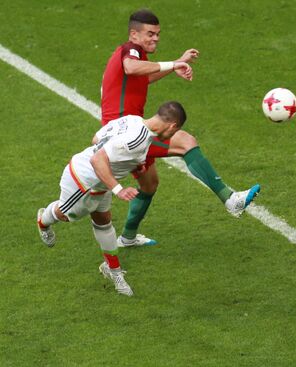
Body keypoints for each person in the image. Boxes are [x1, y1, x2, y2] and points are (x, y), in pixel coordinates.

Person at [101, 9, 260, 248]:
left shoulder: (136, 56)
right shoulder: (129, 51)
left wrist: (175, 66)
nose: (155, 38)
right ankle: (230, 199)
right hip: (126, 134)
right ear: (134, 34)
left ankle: (127, 237)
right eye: (150, 34)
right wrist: (174, 62)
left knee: (149, 184)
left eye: (158, 34)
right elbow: (132, 68)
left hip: (123, 130)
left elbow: (142, 76)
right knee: (185, 141)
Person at [36, 101, 187, 296]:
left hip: (102, 181)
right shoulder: (137, 139)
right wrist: (118, 189)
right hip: (83, 181)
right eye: (175, 132)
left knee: (104, 222)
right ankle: (43, 220)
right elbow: (97, 158)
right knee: (64, 214)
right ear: (173, 126)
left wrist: (132, 166)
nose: (173, 136)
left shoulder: (133, 120)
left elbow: (96, 138)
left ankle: (113, 270)